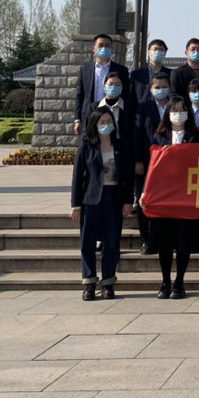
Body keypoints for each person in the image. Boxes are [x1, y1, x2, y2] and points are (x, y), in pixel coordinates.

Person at [149, 97, 199, 299]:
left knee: (183, 241)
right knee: (164, 242)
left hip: (186, 195)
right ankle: (165, 282)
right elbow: (151, 167)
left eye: (182, 110)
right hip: (163, 196)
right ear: (168, 114)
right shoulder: (159, 137)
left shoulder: (196, 136)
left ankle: (179, 282)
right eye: (174, 110)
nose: (178, 113)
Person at [70, 106, 133, 300]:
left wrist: (128, 201)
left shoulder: (121, 146)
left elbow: (128, 177)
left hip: (114, 198)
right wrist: (75, 205)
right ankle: (89, 282)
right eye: (102, 122)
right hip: (91, 199)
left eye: (109, 122)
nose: (106, 125)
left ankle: (108, 283)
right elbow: (77, 177)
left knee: (112, 242)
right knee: (87, 242)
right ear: (94, 124)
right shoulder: (87, 146)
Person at [132, 72, 171, 253]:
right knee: (144, 199)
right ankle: (145, 239)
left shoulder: (175, 107)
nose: (161, 90)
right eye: (157, 87)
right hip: (147, 161)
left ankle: (162, 238)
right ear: (150, 89)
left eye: (164, 87)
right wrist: (138, 159)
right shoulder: (143, 107)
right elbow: (137, 134)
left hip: (169, 164)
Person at [73, 34, 130, 136]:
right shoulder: (85, 70)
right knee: (89, 143)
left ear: (111, 48)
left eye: (107, 46)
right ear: (94, 48)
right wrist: (77, 119)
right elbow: (80, 95)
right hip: (90, 116)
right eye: (100, 45)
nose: (104, 48)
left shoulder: (122, 70)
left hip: (112, 115)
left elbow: (126, 95)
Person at [129, 39, 170, 106]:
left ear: (165, 53)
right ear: (148, 52)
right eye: (155, 49)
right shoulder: (137, 75)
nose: (158, 52)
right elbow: (131, 97)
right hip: (141, 110)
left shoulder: (171, 74)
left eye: (161, 50)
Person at [98, 71, 131, 146]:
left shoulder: (129, 108)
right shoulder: (94, 108)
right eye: (110, 84)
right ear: (104, 86)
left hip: (122, 149)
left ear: (122, 87)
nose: (113, 87)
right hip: (99, 147)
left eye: (117, 85)